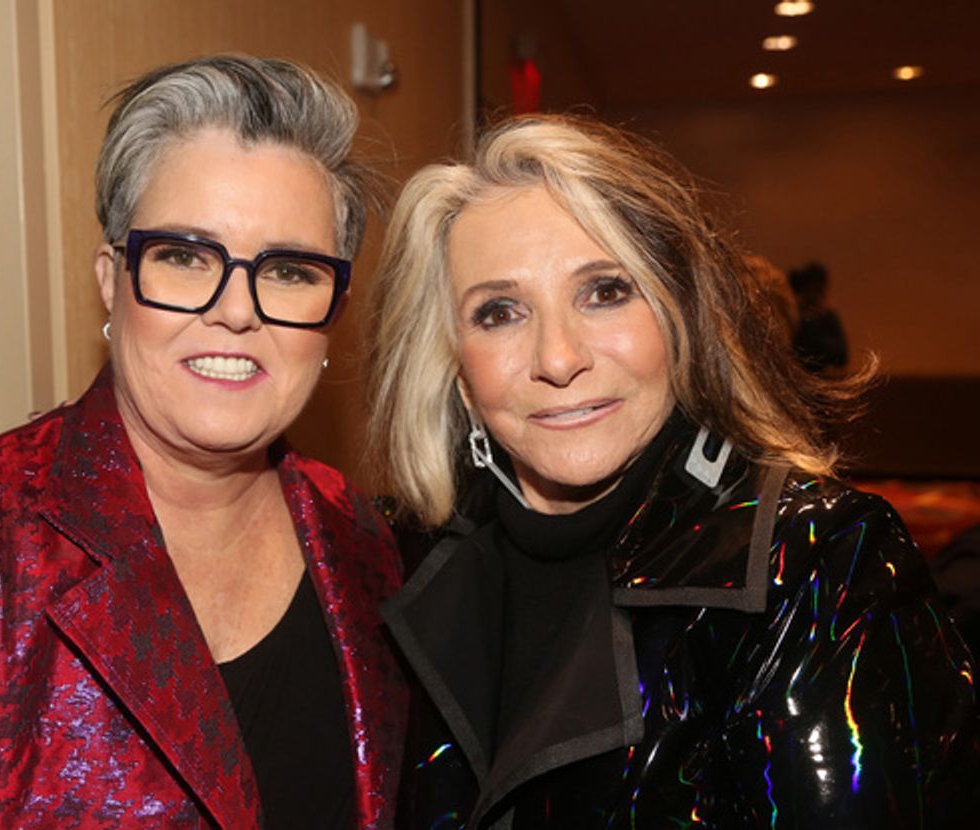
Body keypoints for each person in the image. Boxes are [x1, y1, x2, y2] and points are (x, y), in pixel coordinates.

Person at [0, 55, 406, 828]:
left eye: (287, 270)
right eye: (185, 256)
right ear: (111, 280)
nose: (237, 312)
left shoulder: (366, 545)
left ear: (331, 312)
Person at [366, 114, 977, 828]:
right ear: (457, 369)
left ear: (680, 316)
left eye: (605, 292)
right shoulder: (392, 559)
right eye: (499, 312)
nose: (558, 358)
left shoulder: (812, 557)